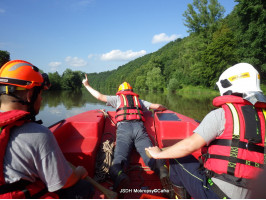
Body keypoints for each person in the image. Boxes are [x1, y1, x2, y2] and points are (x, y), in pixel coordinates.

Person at [145, 63, 266, 199]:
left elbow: (189, 146)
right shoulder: (264, 116)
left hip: (219, 195)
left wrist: (159, 154)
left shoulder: (221, 114)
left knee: (177, 158)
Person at [0, 60, 94, 198]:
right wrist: (79, 172)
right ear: (30, 95)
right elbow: (64, 183)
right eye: (40, 94)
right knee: (84, 188)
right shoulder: (38, 134)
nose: (42, 99)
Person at [82, 75, 174, 197]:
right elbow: (157, 107)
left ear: (120, 91)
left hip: (124, 130)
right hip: (139, 129)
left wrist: (87, 85)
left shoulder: (117, 99)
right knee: (150, 155)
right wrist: (165, 108)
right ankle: (161, 169)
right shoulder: (139, 101)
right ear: (131, 91)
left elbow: (99, 96)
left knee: (119, 158)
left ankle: (120, 175)